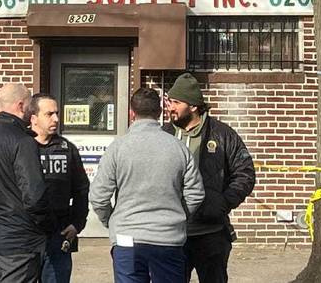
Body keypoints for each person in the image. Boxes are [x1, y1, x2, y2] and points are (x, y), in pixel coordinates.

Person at [89, 87, 204, 283]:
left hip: (127, 238)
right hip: (168, 238)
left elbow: (98, 196)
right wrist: (177, 216)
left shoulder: (117, 148)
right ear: (159, 113)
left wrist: (113, 221)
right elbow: (196, 194)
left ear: (131, 113)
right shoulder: (178, 148)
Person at [163, 73, 256, 283]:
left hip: (211, 233)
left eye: (176, 102)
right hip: (172, 233)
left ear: (194, 106)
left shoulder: (222, 134)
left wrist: (222, 203)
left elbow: (245, 173)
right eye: (170, 101)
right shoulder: (164, 134)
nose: (170, 107)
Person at [0, 83, 52, 283]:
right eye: (29, 104)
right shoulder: (23, 141)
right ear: (20, 105)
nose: (31, 110)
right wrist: (44, 224)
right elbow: (34, 194)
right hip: (18, 239)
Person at [28, 93, 89, 283]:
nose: (56, 118)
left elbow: (81, 190)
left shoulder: (66, 149)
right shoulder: (22, 147)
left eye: (57, 113)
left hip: (59, 233)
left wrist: (76, 224)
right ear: (33, 118)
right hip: (27, 234)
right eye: (49, 114)